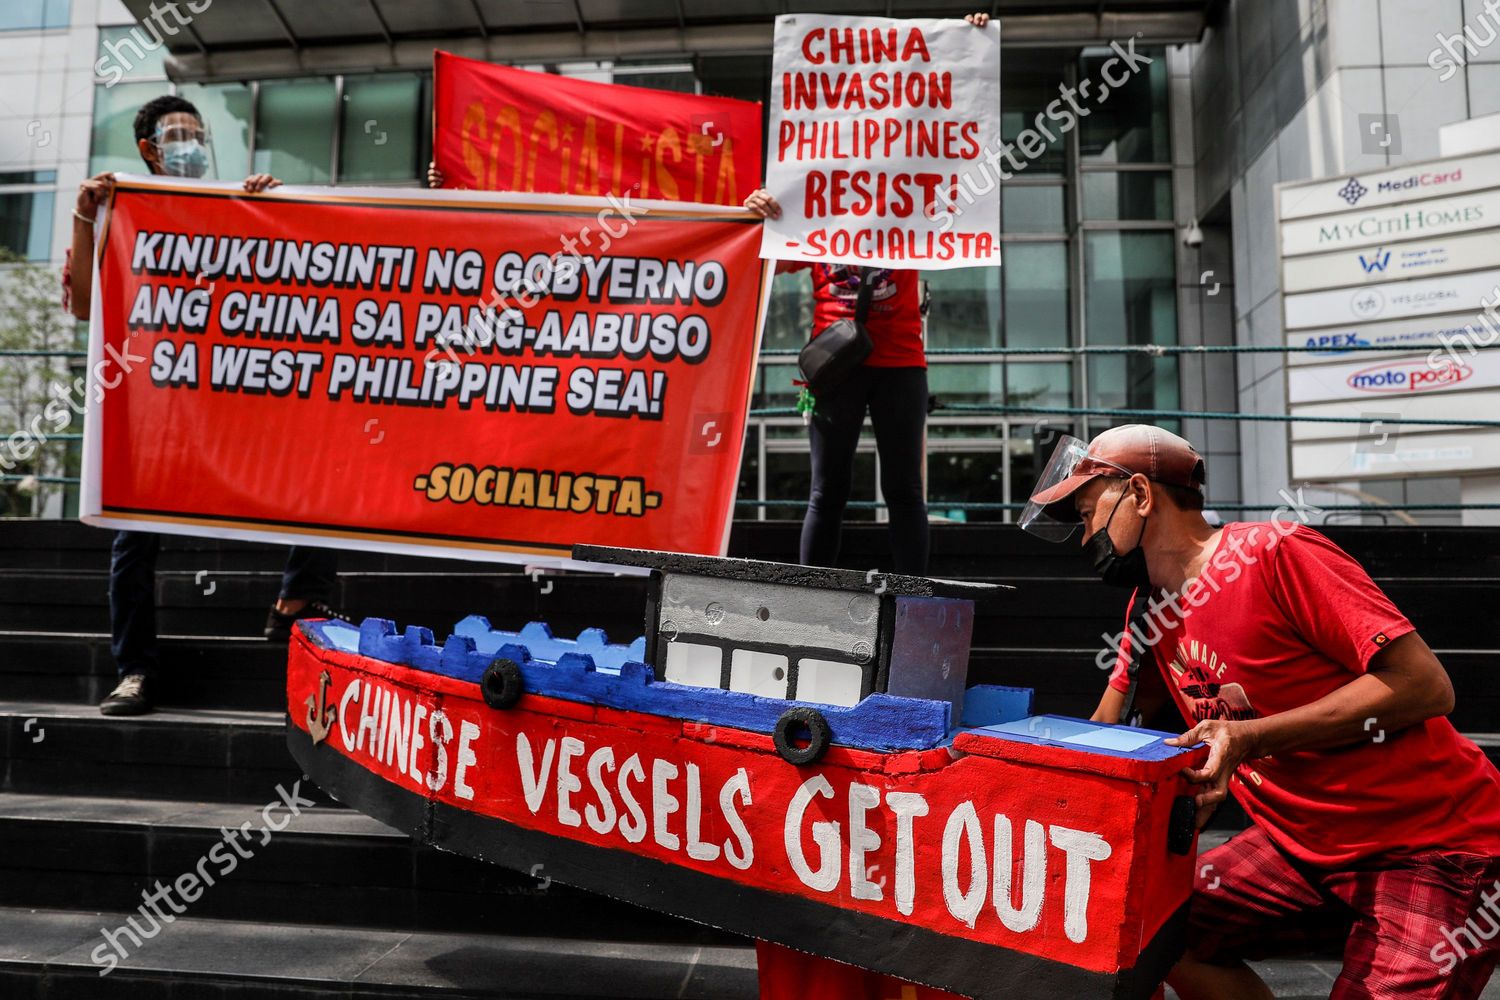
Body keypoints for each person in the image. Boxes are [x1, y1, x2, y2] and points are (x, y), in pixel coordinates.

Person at [1023, 423, 1500, 999]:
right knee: (1151, 927)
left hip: (1431, 847)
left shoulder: (1275, 554)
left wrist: (1251, 739)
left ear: (1141, 496)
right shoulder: (1147, 613)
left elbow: (1426, 686)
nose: (1085, 538)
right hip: (1298, 843)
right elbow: (1108, 736)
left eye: (1089, 512)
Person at [67, 94, 349, 717]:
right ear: (149, 148)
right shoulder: (118, 210)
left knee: (319, 466)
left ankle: (298, 601)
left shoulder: (228, 204)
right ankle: (135, 670)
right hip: (157, 412)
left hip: (229, 401)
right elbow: (87, 307)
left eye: (198, 133)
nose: (192, 144)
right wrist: (85, 220)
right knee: (134, 541)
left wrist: (272, 209)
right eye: (179, 134)